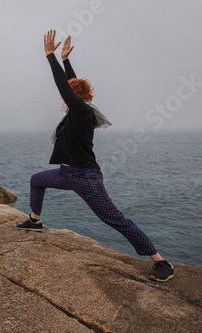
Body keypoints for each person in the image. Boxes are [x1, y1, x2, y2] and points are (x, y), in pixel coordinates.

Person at [17, 30, 174, 282]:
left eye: (68, 94)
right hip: (66, 174)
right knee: (37, 179)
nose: (62, 96)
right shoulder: (79, 109)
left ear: (74, 97)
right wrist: (66, 60)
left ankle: (161, 262)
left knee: (114, 219)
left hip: (85, 178)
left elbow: (63, 85)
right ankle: (35, 221)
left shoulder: (81, 112)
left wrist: (50, 55)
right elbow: (71, 85)